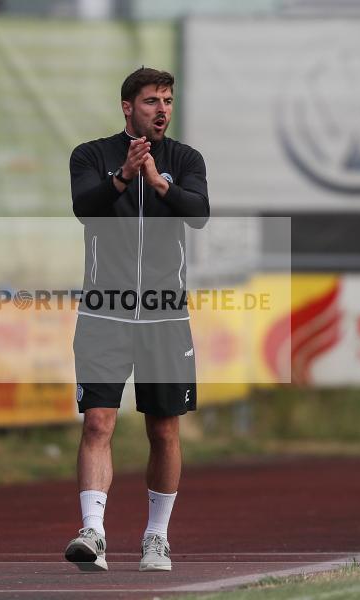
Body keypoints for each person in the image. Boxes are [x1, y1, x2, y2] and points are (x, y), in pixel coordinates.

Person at [64, 67, 210, 572]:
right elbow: (85, 207)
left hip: (165, 316)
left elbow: (199, 213)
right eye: (151, 101)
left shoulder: (185, 160)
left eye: (167, 100)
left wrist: (158, 183)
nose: (161, 109)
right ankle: (93, 531)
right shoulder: (90, 155)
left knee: (164, 430)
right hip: (104, 311)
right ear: (128, 107)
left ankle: (156, 537)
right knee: (98, 421)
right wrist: (124, 176)